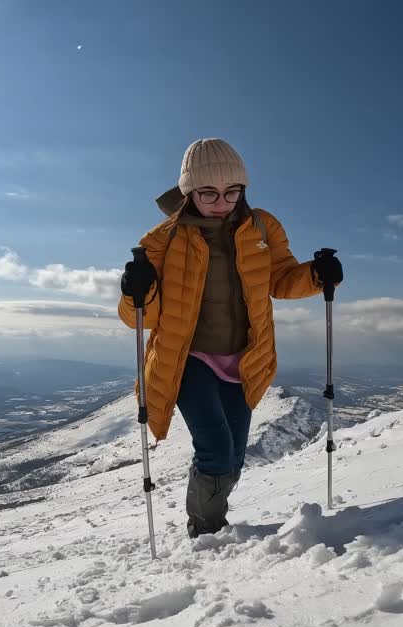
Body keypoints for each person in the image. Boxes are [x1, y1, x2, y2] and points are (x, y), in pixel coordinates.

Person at [118, 138, 344, 538]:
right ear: (189, 192)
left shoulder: (261, 226)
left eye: (231, 192)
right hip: (187, 359)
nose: (221, 202)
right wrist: (136, 290)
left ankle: (211, 523)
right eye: (208, 193)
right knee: (217, 450)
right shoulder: (163, 240)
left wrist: (316, 275)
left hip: (244, 359)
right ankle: (205, 532)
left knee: (235, 454)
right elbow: (138, 317)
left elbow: (280, 277)